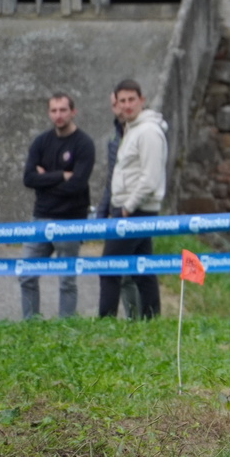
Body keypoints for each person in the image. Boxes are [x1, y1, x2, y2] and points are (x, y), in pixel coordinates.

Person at [19, 93, 95, 319]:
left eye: (63, 110)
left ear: (73, 112)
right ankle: (30, 324)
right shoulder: (41, 142)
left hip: (70, 221)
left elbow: (77, 185)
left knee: (67, 281)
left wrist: (44, 181)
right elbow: (28, 179)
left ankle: (65, 327)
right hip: (40, 218)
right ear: (48, 113)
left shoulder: (84, 144)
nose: (58, 115)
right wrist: (61, 175)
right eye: (54, 110)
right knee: (26, 274)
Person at [98, 79, 169, 320]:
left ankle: (106, 321)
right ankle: (151, 319)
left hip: (136, 209)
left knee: (109, 267)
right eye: (122, 101)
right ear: (116, 104)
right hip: (132, 208)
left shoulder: (148, 131)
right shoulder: (132, 129)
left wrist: (127, 207)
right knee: (142, 268)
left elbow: (150, 177)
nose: (127, 105)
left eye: (131, 100)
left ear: (142, 100)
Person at [94, 91, 140, 319]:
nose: (121, 108)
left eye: (125, 102)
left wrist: (129, 206)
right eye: (116, 104)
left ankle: (136, 319)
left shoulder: (142, 133)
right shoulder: (114, 139)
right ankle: (131, 319)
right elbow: (110, 181)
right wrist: (101, 214)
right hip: (117, 211)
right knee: (118, 270)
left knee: (128, 271)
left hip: (136, 210)